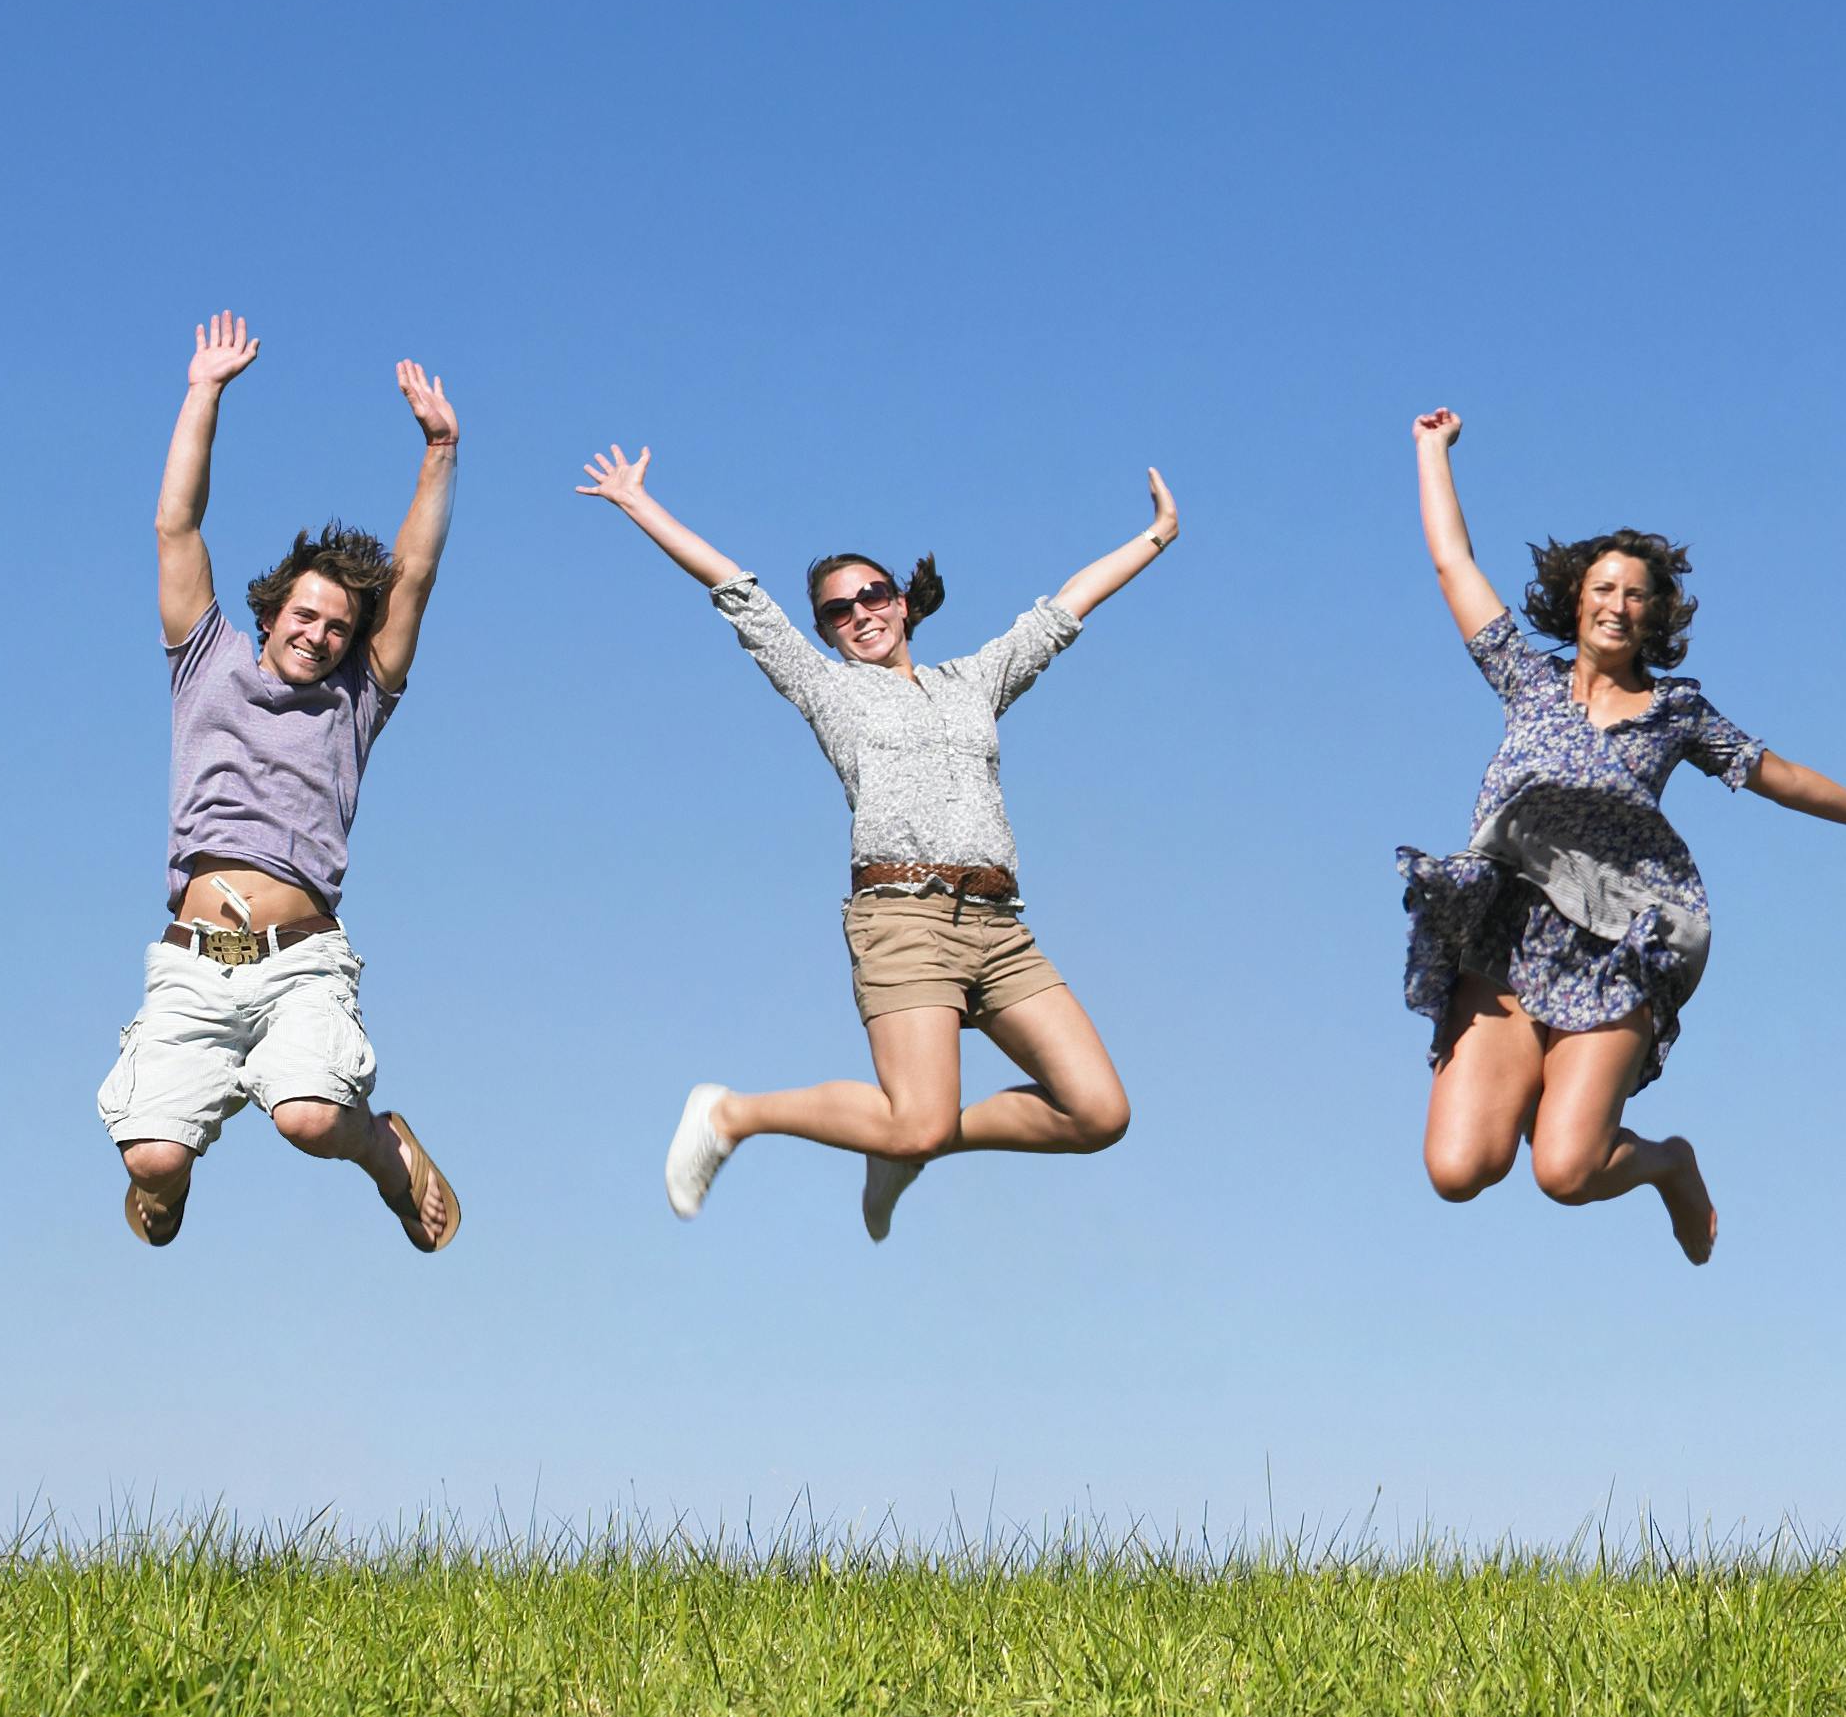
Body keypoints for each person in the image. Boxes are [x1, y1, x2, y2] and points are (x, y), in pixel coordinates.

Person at [576, 447, 1180, 1238]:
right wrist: (637, 503)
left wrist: (1158, 533)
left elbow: (1066, 608)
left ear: (902, 603)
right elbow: (735, 590)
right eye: (839, 610)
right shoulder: (828, 688)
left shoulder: (974, 681)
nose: (860, 613)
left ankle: (894, 1141)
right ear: (826, 631)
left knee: (1098, 1113)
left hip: (999, 927)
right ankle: (733, 1115)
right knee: (916, 1120)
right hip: (903, 919)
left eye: (873, 595)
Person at [1398, 408, 1846, 1266]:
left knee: (1566, 1172)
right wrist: (1432, 450)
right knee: (1460, 1170)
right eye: (1603, 589)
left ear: (1653, 616)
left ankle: (1668, 1164)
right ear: (1576, 600)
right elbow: (1452, 562)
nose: (1617, 605)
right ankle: (1535, 1083)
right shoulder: (1525, 680)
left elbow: (1774, 773)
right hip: (1507, 931)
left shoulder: (1675, 711)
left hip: (1617, 944)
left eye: (1635, 595)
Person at [97, 313, 466, 1250]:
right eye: (306, 615)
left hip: (300, 957)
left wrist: (439, 452)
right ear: (271, 614)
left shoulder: (356, 701)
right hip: (195, 958)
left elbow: (415, 578)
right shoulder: (204, 661)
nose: (319, 635)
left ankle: (385, 1150)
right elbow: (176, 525)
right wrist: (204, 392)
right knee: (151, 1158)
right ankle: (171, 1176)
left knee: (309, 1117)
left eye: (338, 626)